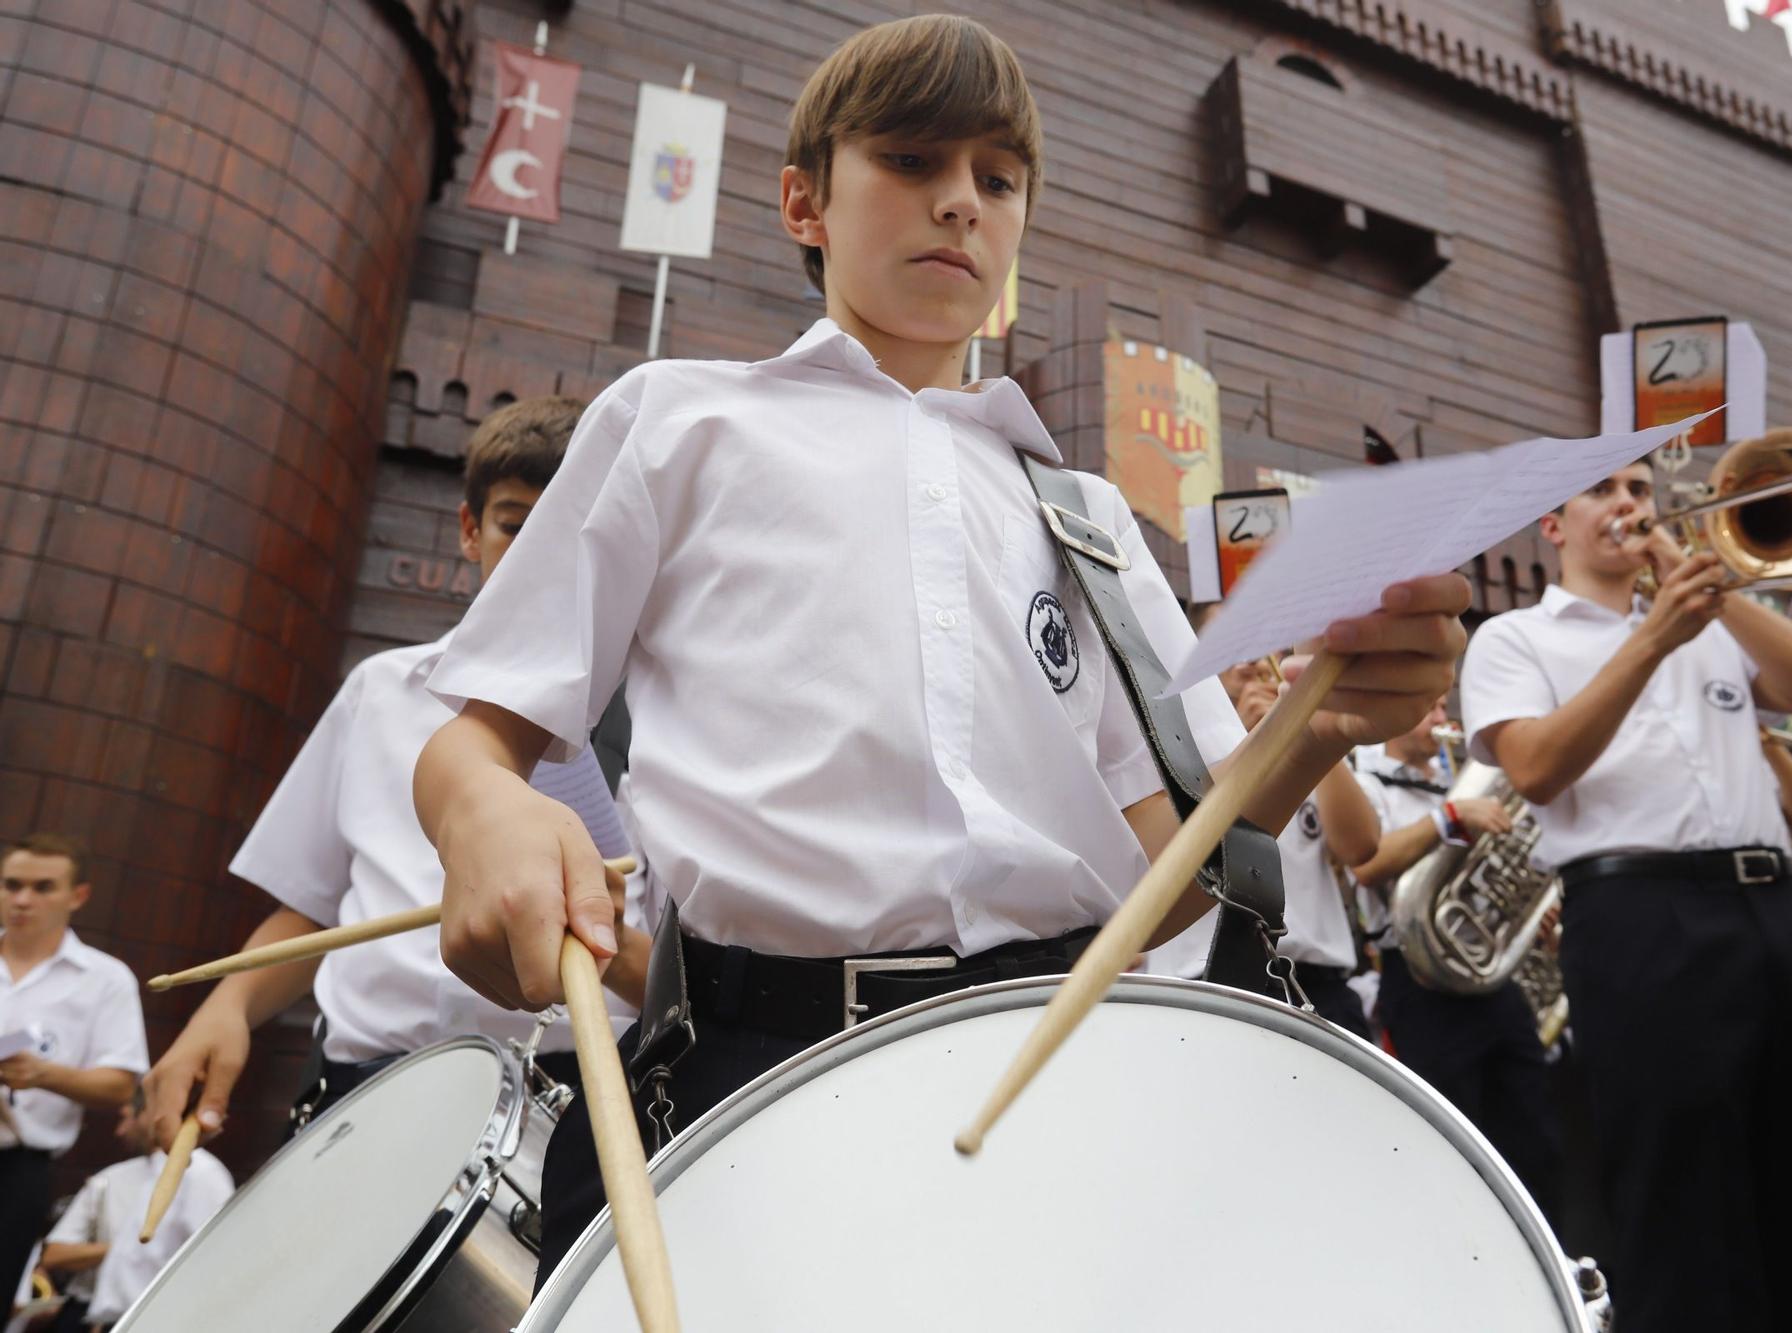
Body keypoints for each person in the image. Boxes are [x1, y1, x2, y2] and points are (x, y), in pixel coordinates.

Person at [410, 14, 1471, 1283]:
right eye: (913, 163)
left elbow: (1172, 875)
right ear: (805, 201)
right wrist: (484, 811)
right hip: (746, 1079)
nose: (960, 202)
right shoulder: (674, 425)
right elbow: (473, 741)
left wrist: (1326, 728)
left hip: (1067, 1072)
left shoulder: (1081, 516)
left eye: (996, 178)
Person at [140, 397, 654, 1156]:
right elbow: (314, 913)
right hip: (357, 1094)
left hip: (564, 1112)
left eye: (566, 528)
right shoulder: (380, 690)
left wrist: (604, 937)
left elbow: (681, 988)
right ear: (470, 530)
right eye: (516, 524)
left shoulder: (649, 720)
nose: (538, 550)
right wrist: (228, 1005)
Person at [1458, 459, 1792, 1333]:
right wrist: (1652, 641)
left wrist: (1709, 590)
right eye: (1602, 490)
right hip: (1640, 914)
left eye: (1641, 490)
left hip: (1770, 907)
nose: (1629, 506)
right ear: (1554, 527)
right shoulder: (1515, 638)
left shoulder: (1710, 624)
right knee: (1679, 1183)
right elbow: (1533, 767)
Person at [1348, 700, 1566, 1233]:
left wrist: (1530, 910)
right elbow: (1365, 863)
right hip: (1420, 984)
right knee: (1456, 1147)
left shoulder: (1461, 778)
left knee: (1536, 1140)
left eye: (1443, 705)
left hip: (1493, 981)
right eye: (1425, 707)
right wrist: (1448, 819)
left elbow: (1514, 870)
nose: (1441, 715)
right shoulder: (1368, 783)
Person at [1146, 619, 1382, 1037]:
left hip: (1316, 986)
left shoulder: (1304, 719)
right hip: (1201, 988)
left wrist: (1298, 732)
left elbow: (1360, 845)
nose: (1252, 659)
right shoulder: (1162, 747)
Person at [0, 835, 149, 1306]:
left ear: (77, 895)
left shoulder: (104, 978)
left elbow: (120, 1083)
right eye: (12, 885)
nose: (23, 899)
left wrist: (42, 1074)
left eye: (43, 887)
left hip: (15, 1167)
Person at [40, 1091, 233, 1332]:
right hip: (106, 1318)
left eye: (128, 1118)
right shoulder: (119, 1176)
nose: (120, 1131)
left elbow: (216, 1255)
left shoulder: (202, 1173)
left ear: (153, 1111)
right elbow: (53, 1254)